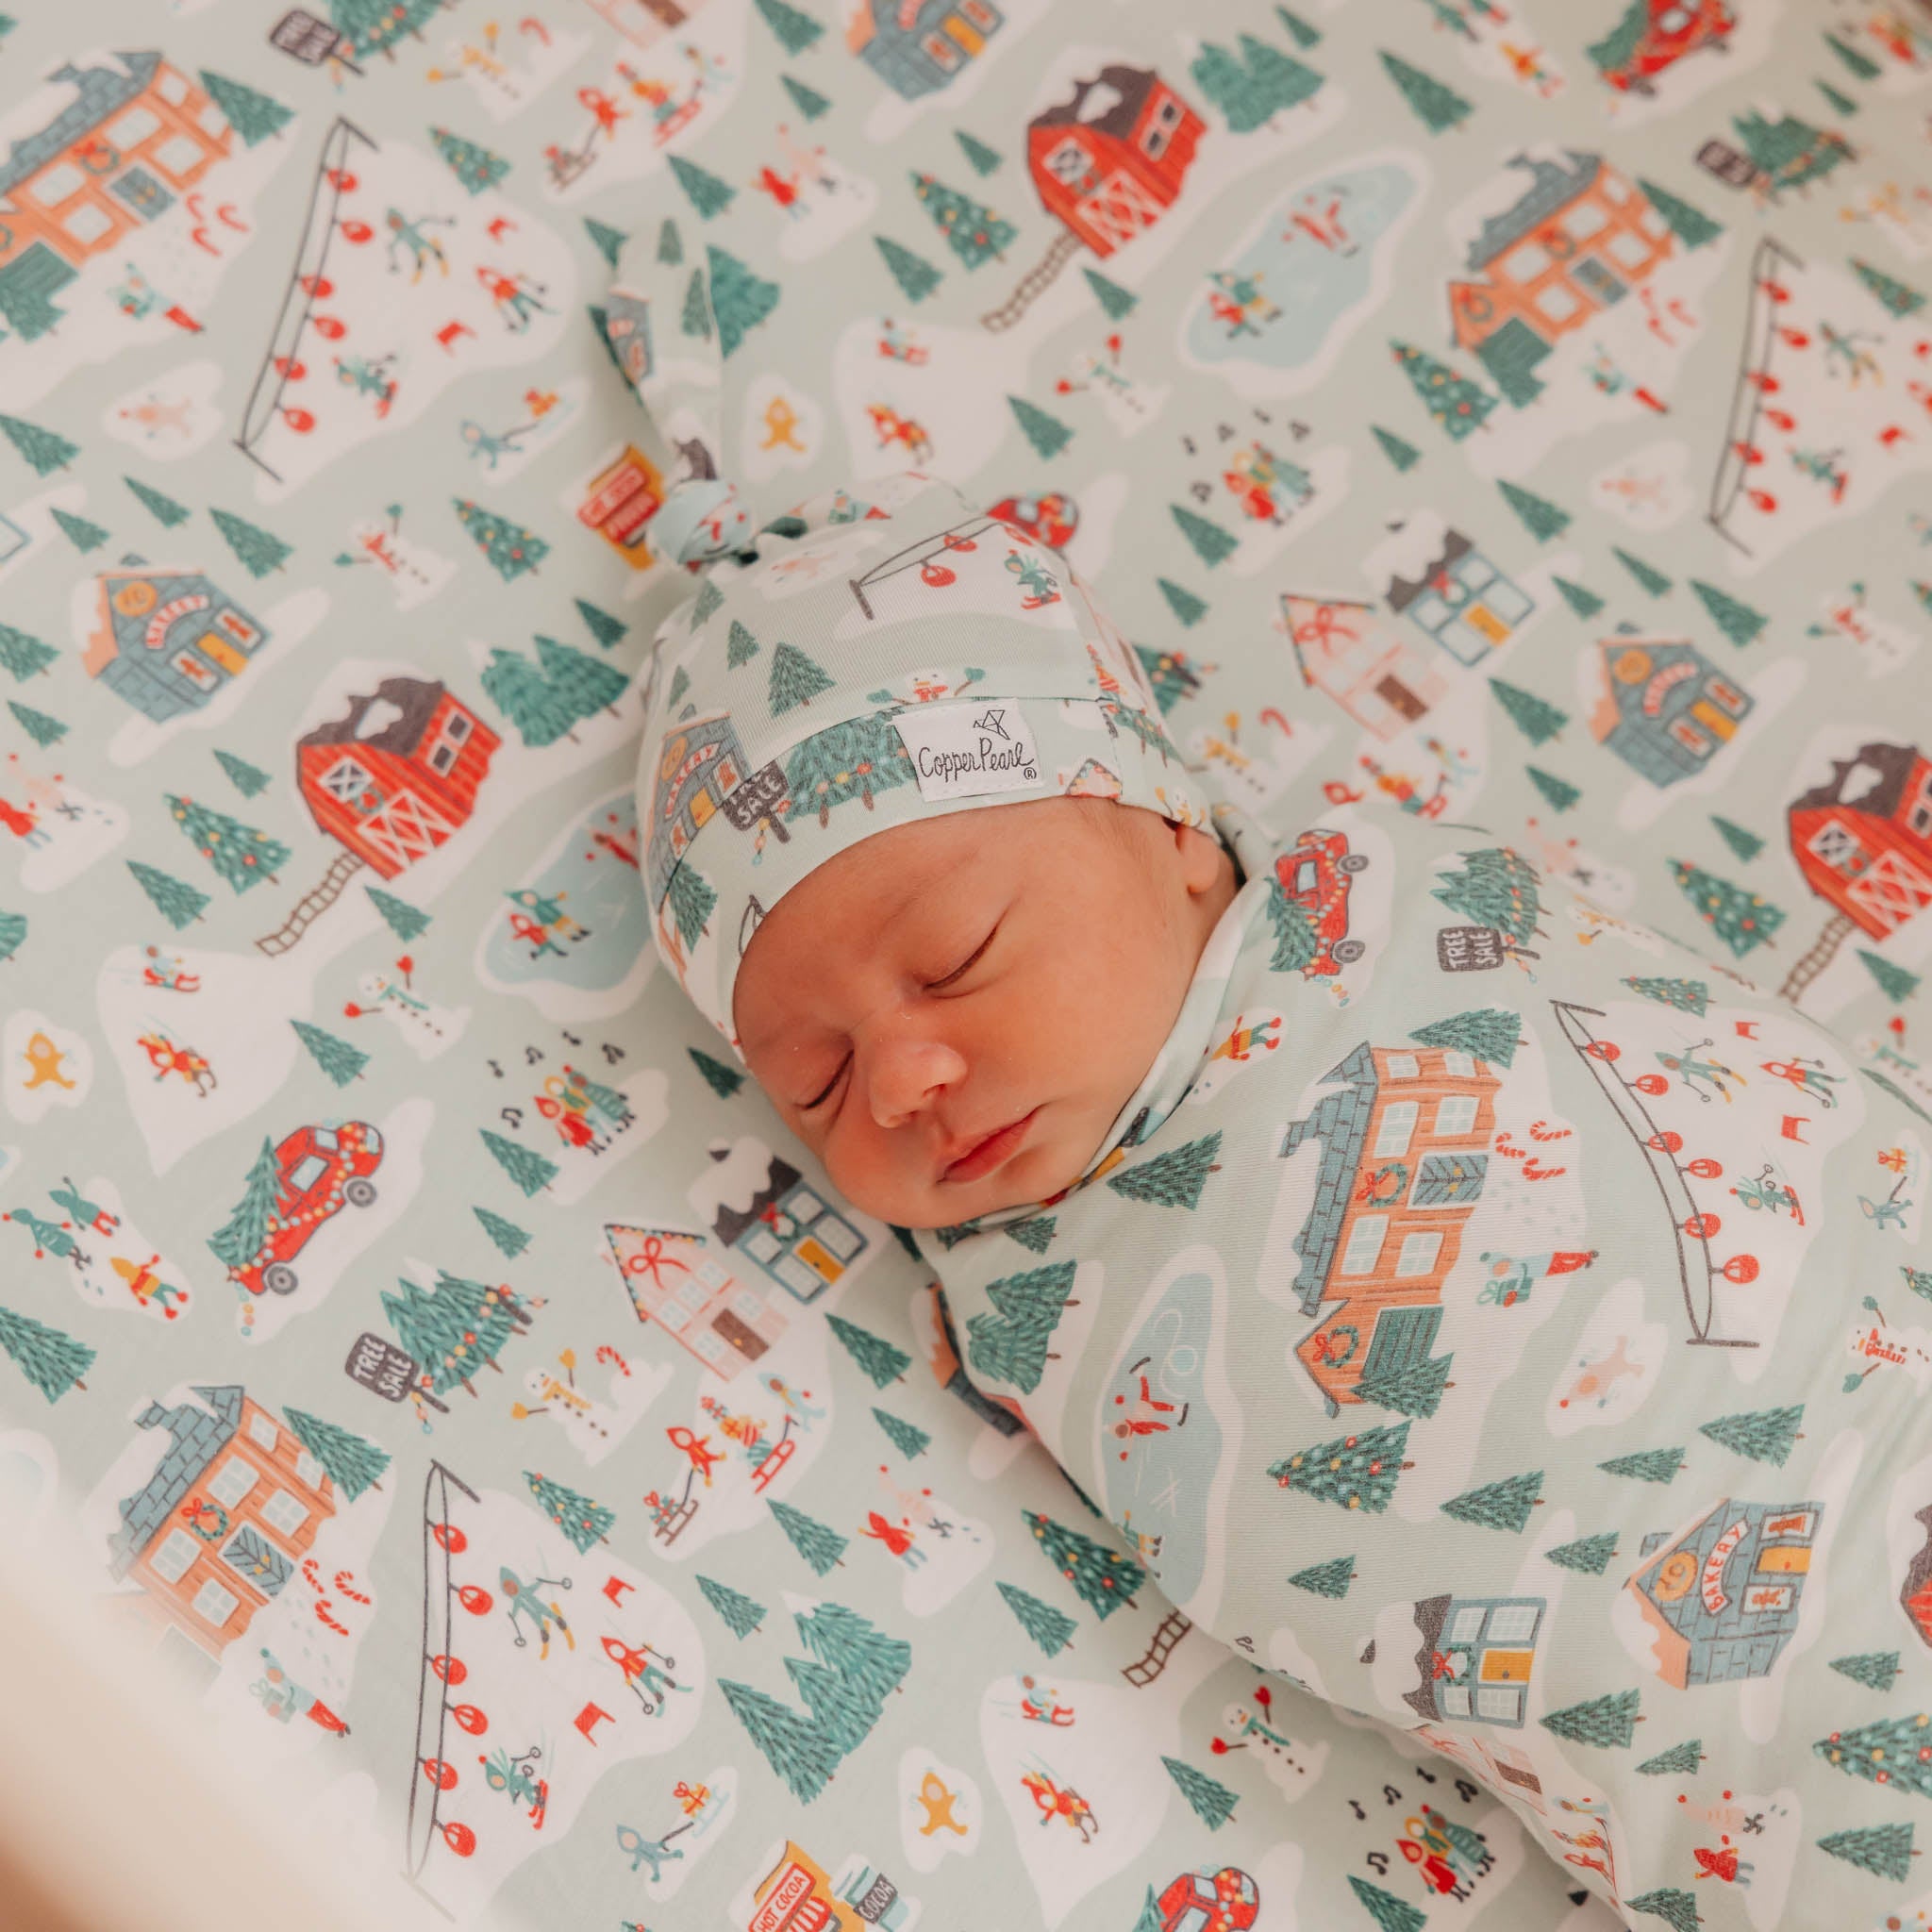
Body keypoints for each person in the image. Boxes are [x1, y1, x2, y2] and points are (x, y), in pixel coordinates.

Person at [614, 226, 1932, 1932]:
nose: (908, 1079)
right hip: (1749, 1792)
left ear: (1174, 835)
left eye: (956, 959)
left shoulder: (1386, 920)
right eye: (815, 1084)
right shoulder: (1022, 1311)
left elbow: (1695, 1064)